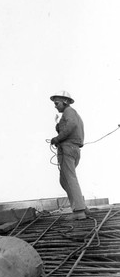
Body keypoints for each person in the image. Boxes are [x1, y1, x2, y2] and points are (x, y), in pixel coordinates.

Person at [50, 91, 88, 220]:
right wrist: (58, 126)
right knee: (65, 179)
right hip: (74, 149)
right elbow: (70, 126)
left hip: (68, 148)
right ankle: (81, 205)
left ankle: (79, 211)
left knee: (69, 178)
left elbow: (71, 126)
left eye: (57, 103)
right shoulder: (72, 113)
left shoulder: (69, 112)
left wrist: (57, 138)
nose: (55, 106)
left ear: (65, 101)